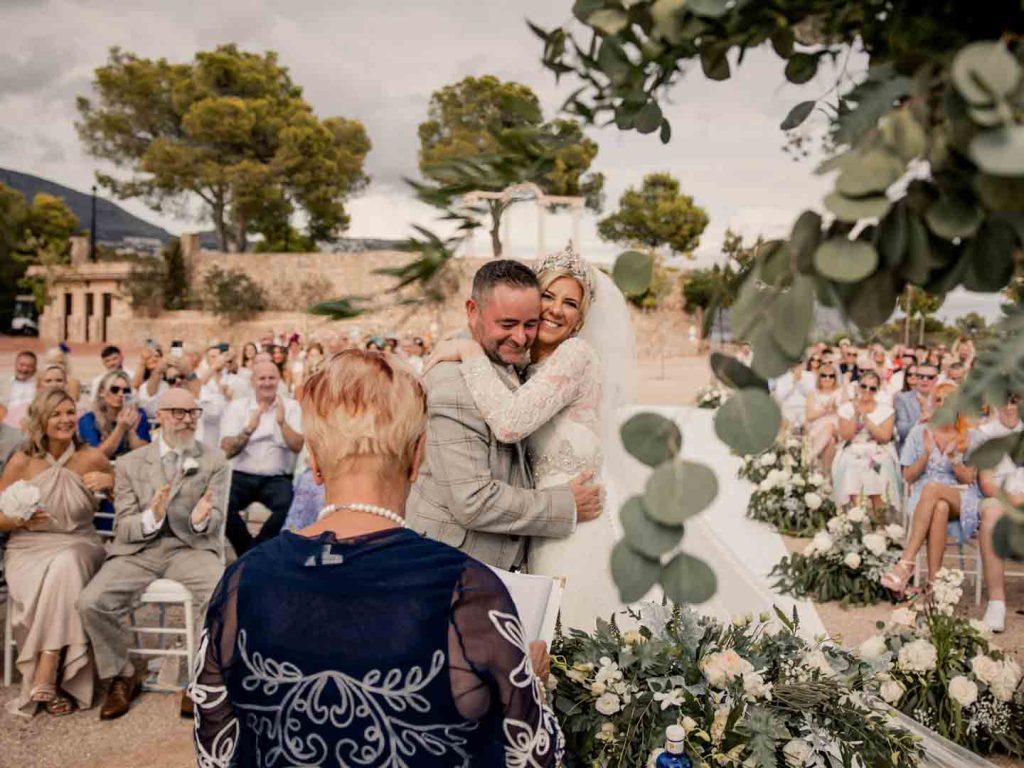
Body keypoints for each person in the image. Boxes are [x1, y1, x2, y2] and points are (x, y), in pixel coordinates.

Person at [191, 349, 564, 767]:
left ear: (313, 461)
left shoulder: (242, 581)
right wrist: (529, 681)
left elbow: (215, 747)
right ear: (417, 457)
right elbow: (534, 756)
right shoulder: (469, 591)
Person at [425, 248, 622, 630]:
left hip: (574, 527)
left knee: (575, 639)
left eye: (570, 303)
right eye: (548, 296)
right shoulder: (522, 366)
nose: (555, 310)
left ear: (580, 318)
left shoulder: (576, 355)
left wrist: (467, 349)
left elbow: (510, 423)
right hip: (535, 530)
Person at [407, 259, 600, 580]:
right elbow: (473, 501)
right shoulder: (455, 384)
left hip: (536, 546)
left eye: (528, 324)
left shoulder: (531, 359)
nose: (522, 337)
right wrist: (563, 505)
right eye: (548, 298)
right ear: (473, 311)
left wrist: (469, 348)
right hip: (453, 565)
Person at [78, 387, 230, 721]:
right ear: (158, 417)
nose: (186, 420)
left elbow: (216, 521)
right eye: (178, 412)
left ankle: (199, 679)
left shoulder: (214, 460)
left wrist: (198, 518)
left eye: (192, 413)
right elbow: (124, 527)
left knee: (219, 588)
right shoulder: (131, 463)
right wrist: (153, 516)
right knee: (92, 601)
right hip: (139, 550)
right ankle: (123, 672)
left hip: (189, 547)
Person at [0, 389, 112, 716]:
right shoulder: (22, 461)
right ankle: (63, 678)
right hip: (29, 548)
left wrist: (110, 482)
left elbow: (131, 506)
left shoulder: (92, 458)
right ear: (41, 420)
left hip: (80, 542)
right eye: (56, 414)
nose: (64, 420)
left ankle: (46, 665)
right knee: (60, 575)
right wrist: (17, 518)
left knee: (68, 562)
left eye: (69, 412)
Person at [883, 384, 980, 595]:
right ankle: (933, 583)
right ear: (932, 403)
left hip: (962, 495)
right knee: (940, 507)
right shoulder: (919, 432)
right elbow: (908, 476)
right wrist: (926, 455)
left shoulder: (969, 435)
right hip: (925, 497)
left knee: (933, 489)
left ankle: (906, 562)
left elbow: (970, 479)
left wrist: (954, 458)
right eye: (939, 400)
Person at [219, 360, 303, 555]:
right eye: (262, 378)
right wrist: (249, 429)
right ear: (252, 382)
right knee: (221, 503)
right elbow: (227, 450)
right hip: (241, 475)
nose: (267, 383)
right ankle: (250, 552)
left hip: (276, 478)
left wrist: (282, 424)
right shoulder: (237, 407)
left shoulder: (291, 407)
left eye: (271, 378)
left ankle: (255, 552)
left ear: (279, 380)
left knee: (290, 504)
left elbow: (297, 446)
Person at [973, 394, 1022, 632]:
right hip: (999, 496)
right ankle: (996, 602)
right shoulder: (985, 432)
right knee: (991, 517)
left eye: (1015, 400)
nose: (1009, 406)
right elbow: (986, 480)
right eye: (1005, 399)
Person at [831, 371, 902, 518]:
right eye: (864, 386)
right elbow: (847, 436)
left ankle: (879, 518)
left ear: (877, 390)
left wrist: (868, 422)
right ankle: (857, 517)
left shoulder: (886, 410)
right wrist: (856, 416)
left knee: (881, 465)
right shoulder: (846, 408)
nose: (867, 391)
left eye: (872, 388)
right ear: (858, 387)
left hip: (878, 447)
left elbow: (885, 437)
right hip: (852, 447)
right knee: (852, 464)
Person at [78, 370, 151, 460]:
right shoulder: (88, 419)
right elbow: (96, 457)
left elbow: (145, 453)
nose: (120, 394)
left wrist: (131, 430)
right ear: (102, 392)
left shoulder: (138, 414)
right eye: (114, 390)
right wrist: (120, 428)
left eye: (125, 390)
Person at [805, 363, 843, 471]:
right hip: (817, 429)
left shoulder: (839, 392)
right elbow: (809, 415)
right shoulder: (812, 394)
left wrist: (835, 408)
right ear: (819, 377)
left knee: (830, 427)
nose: (827, 378)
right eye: (824, 375)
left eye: (831, 376)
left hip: (836, 428)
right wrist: (826, 410)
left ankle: (810, 457)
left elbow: (846, 413)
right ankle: (826, 478)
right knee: (830, 441)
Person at [895, 362, 938, 448]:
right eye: (921, 376)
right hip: (912, 447)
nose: (925, 380)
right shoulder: (903, 398)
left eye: (930, 377)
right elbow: (902, 431)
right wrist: (919, 421)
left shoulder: (944, 398)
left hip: (938, 446)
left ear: (936, 379)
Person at [1, 351, 38, 427]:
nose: (24, 369)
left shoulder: (39, 386)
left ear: (35, 368)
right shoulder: (3, 383)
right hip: (5, 424)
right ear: (15, 364)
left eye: (29, 366)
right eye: (21, 365)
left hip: (30, 424)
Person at [773, 361, 814, 428]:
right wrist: (793, 383)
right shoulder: (782, 378)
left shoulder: (810, 376)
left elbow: (812, 393)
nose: (797, 367)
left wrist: (800, 381)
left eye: (799, 364)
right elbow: (780, 396)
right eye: (795, 365)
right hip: (788, 409)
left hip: (805, 409)